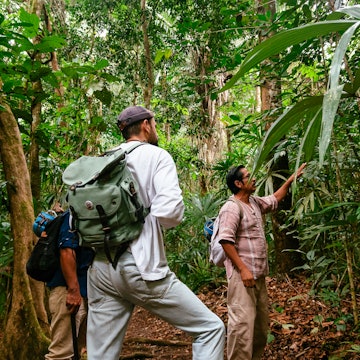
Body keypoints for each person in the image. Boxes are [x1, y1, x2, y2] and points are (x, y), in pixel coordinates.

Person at [86, 106, 225, 360]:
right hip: (140, 265)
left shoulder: (102, 160)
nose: (156, 128)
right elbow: (170, 211)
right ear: (146, 125)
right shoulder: (156, 156)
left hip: (101, 268)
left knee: (101, 354)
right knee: (210, 329)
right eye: (155, 123)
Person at [218, 163, 306, 360]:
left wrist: (291, 179)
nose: (254, 178)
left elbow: (275, 199)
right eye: (249, 176)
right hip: (243, 278)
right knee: (241, 329)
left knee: (259, 329)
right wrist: (243, 270)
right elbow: (225, 240)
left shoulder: (255, 202)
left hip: (258, 276)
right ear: (238, 183)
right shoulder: (231, 208)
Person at [45, 206, 95, 360]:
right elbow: (66, 251)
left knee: (76, 350)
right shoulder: (72, 216)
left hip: (82, 290)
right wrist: (73, 291)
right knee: (61, 353)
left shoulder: (90, 217)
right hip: (66, 291)